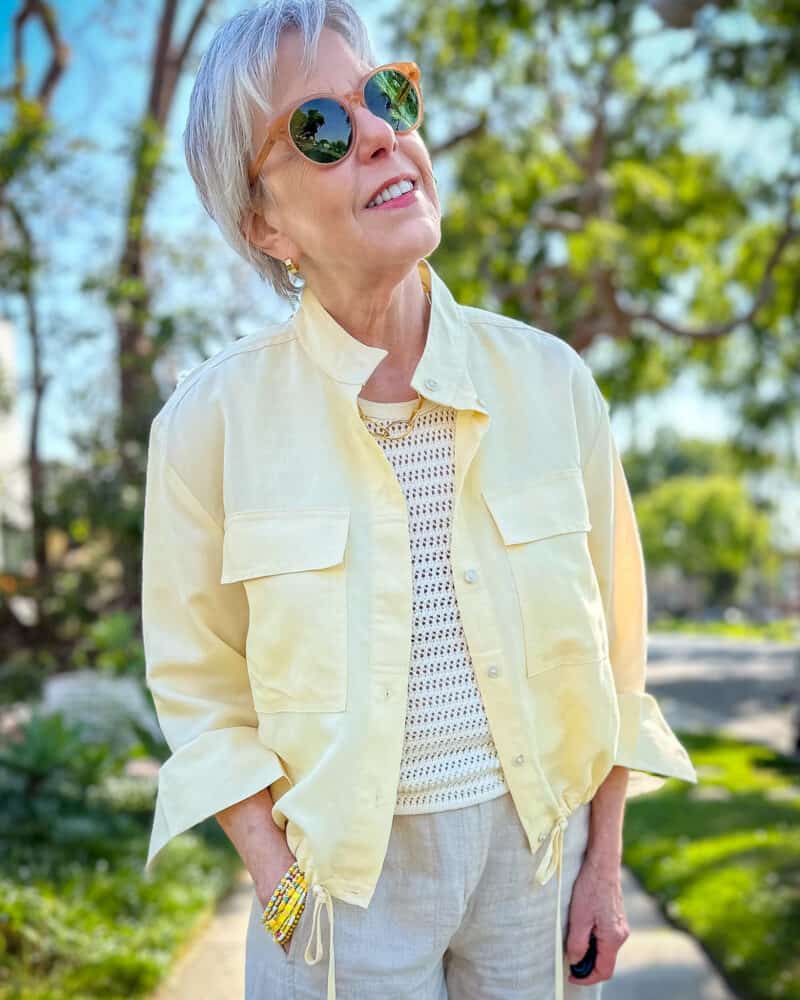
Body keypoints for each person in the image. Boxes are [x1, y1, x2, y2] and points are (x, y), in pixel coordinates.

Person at [140, 2, 699, 998]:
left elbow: (614, 649)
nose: (376, 133)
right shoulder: (205, 426)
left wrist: (600, 865)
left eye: (385, 95)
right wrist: (278, 884)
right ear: (264, 223)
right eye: (318, 127)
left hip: (533, 866)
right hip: (340, 892)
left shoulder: (552, 380)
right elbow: (199, 688)